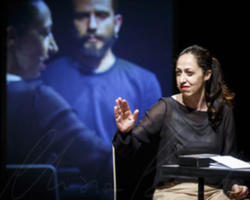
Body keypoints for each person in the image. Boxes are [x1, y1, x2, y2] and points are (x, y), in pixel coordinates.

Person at [40, 0, 162, 198]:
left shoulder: (144, 82)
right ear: (71, 22)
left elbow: (151, 157)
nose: (92, 26)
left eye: (102, 15)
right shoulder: (48, 78)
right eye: (82, 16)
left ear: (117, 23)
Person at [113, 45, 249, 200]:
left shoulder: (223, 111)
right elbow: (128, 149)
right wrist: (125, 132)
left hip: (213, 192)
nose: (182, 79)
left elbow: (229, 159)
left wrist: (235, 186)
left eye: (189, 73)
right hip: (175, 192)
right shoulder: (166, 107)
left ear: (207, 74)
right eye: (178, 73)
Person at [6, 0, 112, 199]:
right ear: (12, 37)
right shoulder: (37, 98)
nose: (53, 47)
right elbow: (105, 162)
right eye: (45, 33)